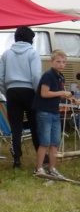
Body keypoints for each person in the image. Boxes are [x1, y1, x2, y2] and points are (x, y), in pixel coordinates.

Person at [0, 25, 43, 169]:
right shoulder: (32, 53)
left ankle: (16, 160)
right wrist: (38, 93)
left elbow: (0, 77)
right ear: (30, 39)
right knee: (35, 125)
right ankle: (41, 156)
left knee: (16, 127)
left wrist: (6, 91)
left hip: (12, 91)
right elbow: (36, 75)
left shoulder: (6, 54)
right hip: (29, 90)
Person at [34, 49, 76, 179]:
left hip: (54, 112)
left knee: (54, 142)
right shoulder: (48, 75)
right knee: (44, 142)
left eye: (64, 62)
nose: (61, 64)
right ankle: (39, 169)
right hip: (44, 112)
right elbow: (44, 93)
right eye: (58, 62)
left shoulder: (60, 76)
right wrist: (62, 93)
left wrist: (68, 97)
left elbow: (57, 95)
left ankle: (52, 169)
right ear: (51, 62)